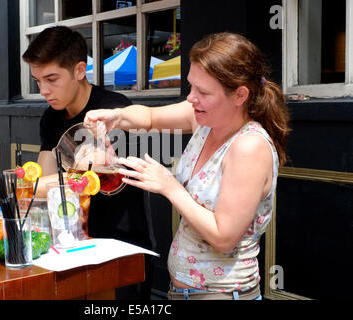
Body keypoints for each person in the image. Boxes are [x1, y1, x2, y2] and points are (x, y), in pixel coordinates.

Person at [84, 32, 290, 300]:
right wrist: (116, 116)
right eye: (191, 86)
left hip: (224, 295)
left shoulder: (249, 146)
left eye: (203, 92)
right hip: (185, 292)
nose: (191, 98)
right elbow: (150, 117)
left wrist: (170, 187)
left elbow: (224, 237)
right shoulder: (203, 118)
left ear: (240, 95)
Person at [0, 26, 155, 299]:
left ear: (80, 70)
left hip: (118, 248)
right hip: (69, 247)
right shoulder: (51, 117)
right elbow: (43, 180)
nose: (44, 90)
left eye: (51, 79)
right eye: (38, 81)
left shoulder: (112, 110)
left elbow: (76, 182)